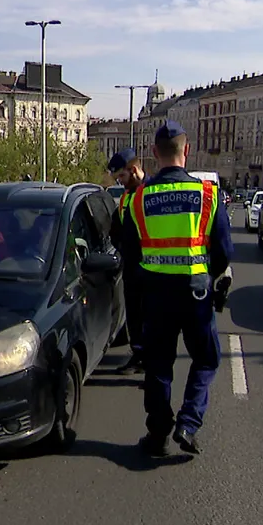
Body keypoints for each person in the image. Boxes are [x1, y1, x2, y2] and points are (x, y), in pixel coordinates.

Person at [122, 121, 233, 456]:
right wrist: (208, 277)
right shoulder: (208, 195)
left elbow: (130, 256)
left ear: (154, 154)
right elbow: (224, 252)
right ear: (187, 151)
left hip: (155, 294)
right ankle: (188, 422)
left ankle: (157, 436)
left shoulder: (138, 199)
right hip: (196, 293)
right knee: (206, 359)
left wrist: (137, 302)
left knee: (158, 366)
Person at [107, 148, 148, 374]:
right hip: (132, 269)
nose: (120, 182)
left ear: (133, 170)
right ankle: (139, 355)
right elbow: (115, 230)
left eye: (121, 176)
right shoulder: (125, 199)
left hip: (154, 269)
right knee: (134, 316)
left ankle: (152, 364)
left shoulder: (152, 193)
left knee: (152, 319)